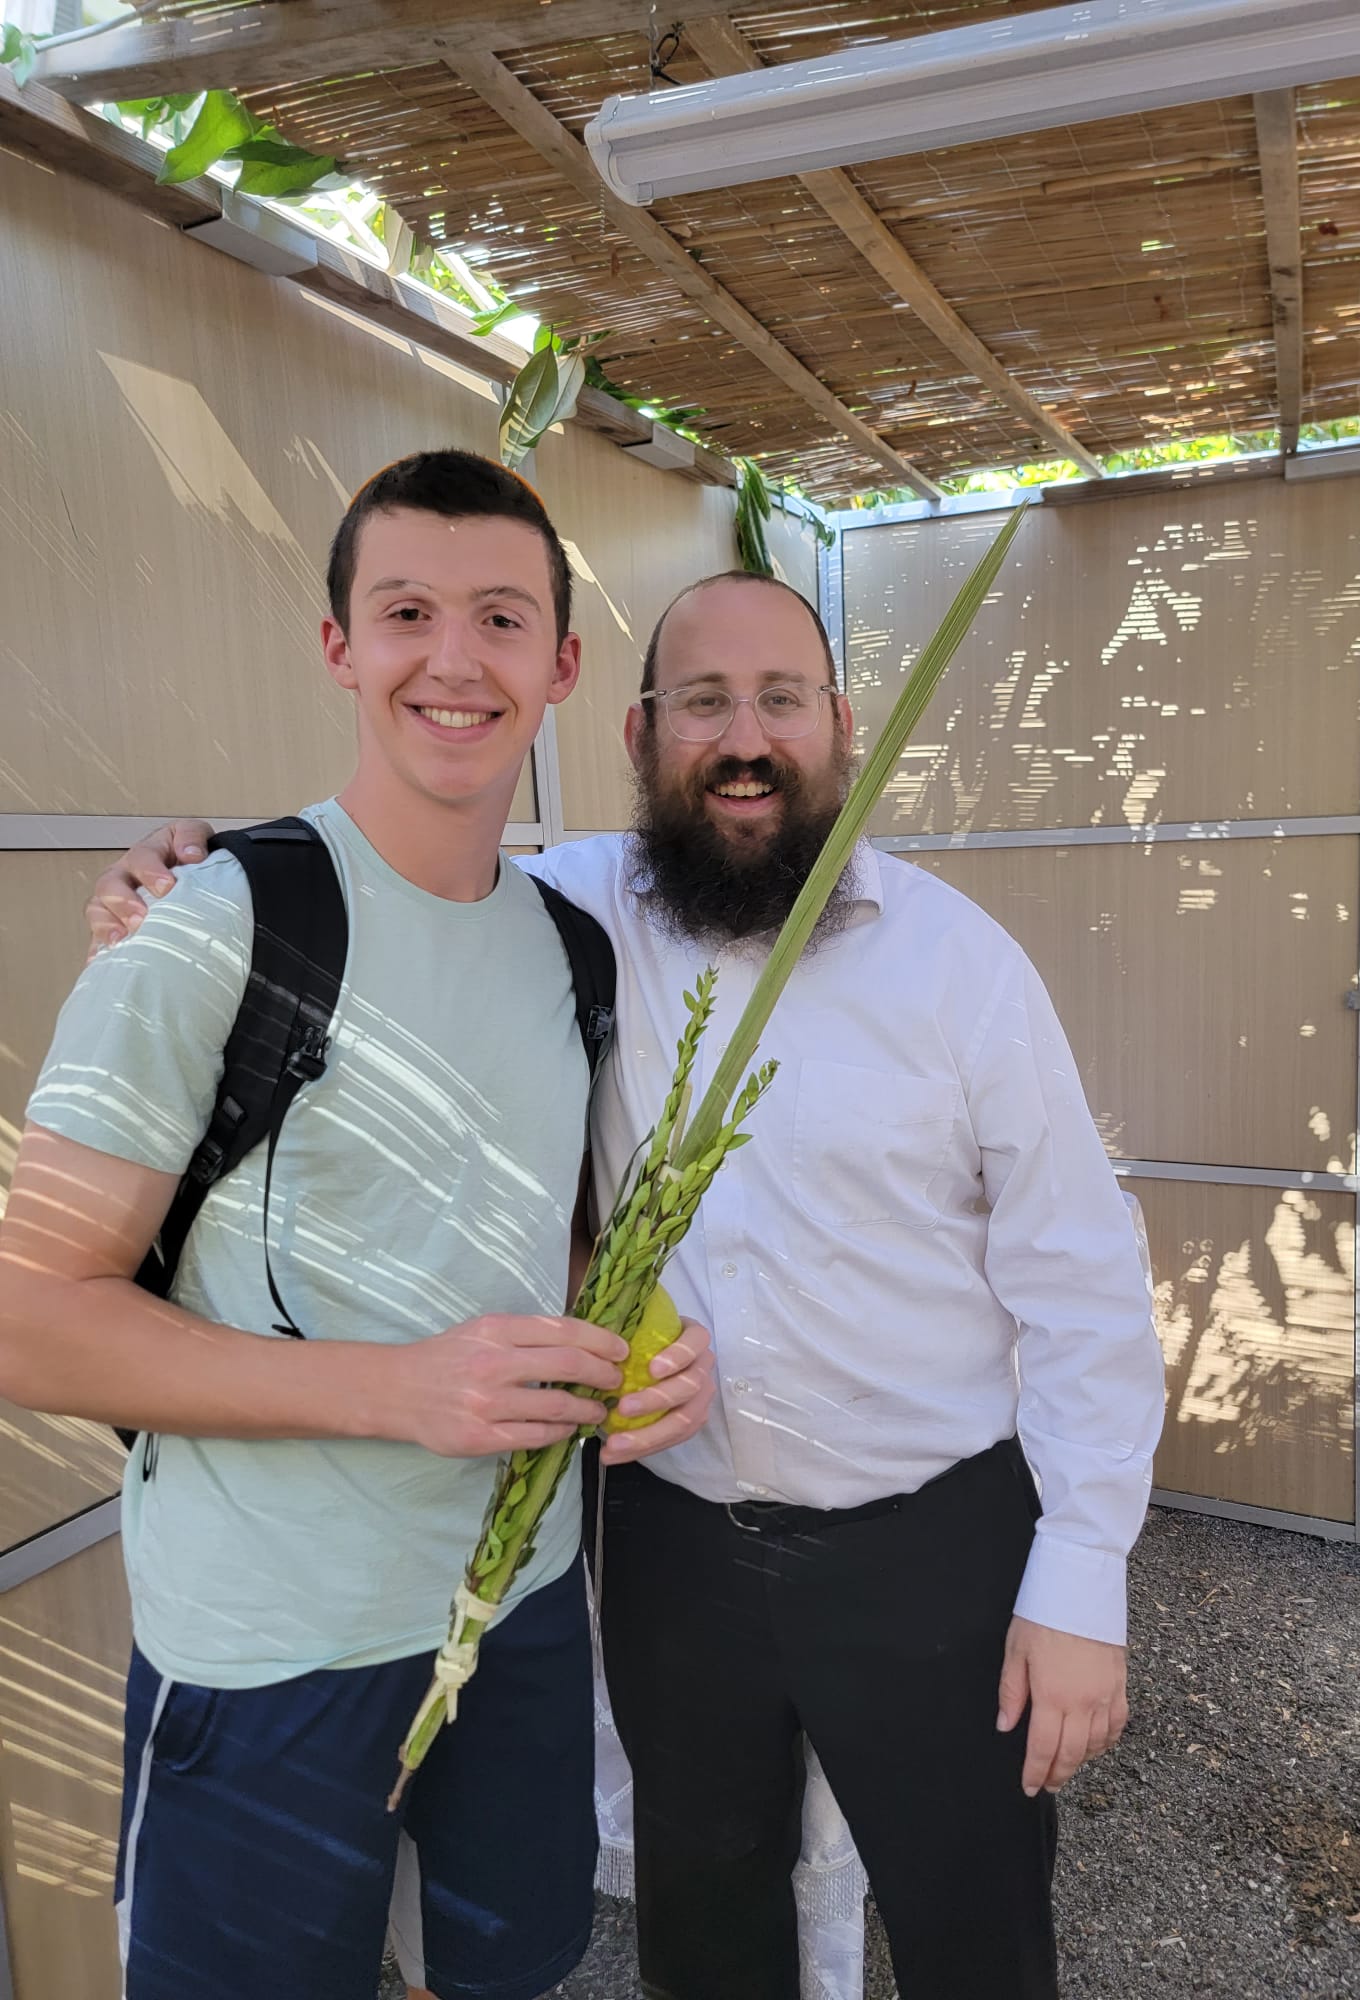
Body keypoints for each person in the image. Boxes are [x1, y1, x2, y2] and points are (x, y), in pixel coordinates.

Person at [87, 569, 1166, 2000]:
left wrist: (1082, 1577)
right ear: (639, 733)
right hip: (673, 1546)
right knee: (702, 1915)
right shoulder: (559, 917)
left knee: (974, 1923)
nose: (745, 738)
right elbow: (387, 891)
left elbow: (1079, 1282)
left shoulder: (962, 966)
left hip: (932, 1549)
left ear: (841, 727)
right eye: (705, 702)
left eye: (782, 700)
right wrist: (197, 870)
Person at [0, 450, 713, 2000]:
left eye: (501, 620)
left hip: (514, 1608)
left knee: (501, 1974)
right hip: (268, 1645)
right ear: (339, 647)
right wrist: (399, 1390)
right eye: (405, 612)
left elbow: (540, 1241)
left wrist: (639, 1354)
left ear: (562, 667)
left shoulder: (574, 950)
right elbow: (30, 1316)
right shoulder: (213, 925)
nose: (452, 662)